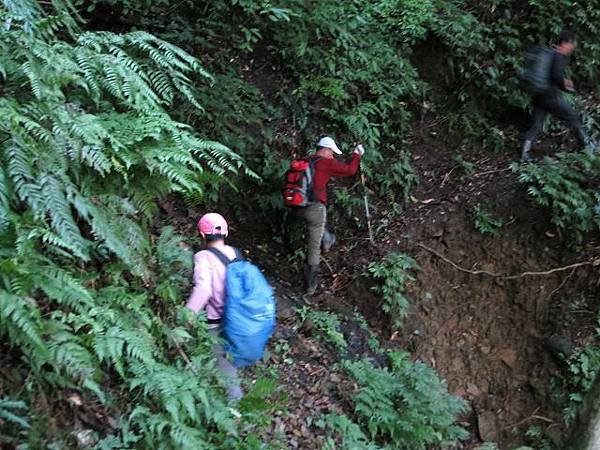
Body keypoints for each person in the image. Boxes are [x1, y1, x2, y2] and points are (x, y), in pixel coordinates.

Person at [295, 136, 364, 295]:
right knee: (314, 247)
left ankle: (327, 238)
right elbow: (350, 170)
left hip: (297, 206)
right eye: (332, 152)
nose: (333, 156)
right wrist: (357, 155)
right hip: (315, 209)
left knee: (316, 226)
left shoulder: (306, 160)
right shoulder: (326, 162)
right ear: (325, 150)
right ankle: (311, 287)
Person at [186, 212, 243, 403]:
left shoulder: (203, 256)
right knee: (226, 364)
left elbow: (203, 289)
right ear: (225, 233)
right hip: (238, 320)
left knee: (226, 371)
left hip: (218, 323)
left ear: (202, 235)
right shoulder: (235, 253)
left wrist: (187, 315)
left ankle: (235, 415)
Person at [521, 30, 597, 162]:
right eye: (571, 45)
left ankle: (524, 155)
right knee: (573, 116)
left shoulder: (547, 53)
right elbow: (556, 76)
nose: (571, 49)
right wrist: (566, 84)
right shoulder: (558, 56)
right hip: (550, 95)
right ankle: (588, 147)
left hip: (538, 95)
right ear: (565, 43)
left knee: (536, 124)